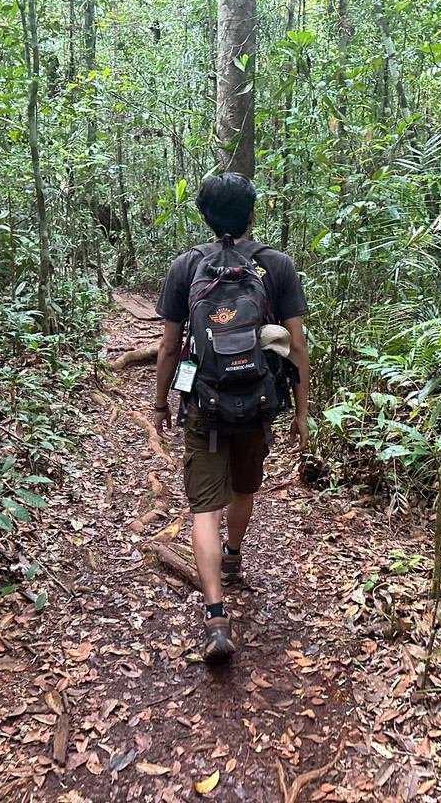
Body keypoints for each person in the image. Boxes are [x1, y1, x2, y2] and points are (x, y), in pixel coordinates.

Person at [153, 173, 310, 663]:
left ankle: (216, 615)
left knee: (204, 508)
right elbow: (296, 347)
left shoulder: (187, 266)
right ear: (251, 214)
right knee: (245, 488)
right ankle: (235, 556)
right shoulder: (276, 266)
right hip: (260, 403)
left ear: (204, 216)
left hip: (206, 404)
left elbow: (168, 348)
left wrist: (160, 405)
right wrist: (302, 412)